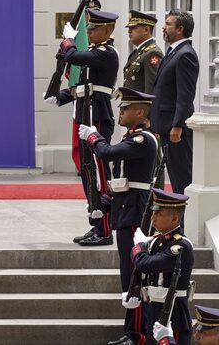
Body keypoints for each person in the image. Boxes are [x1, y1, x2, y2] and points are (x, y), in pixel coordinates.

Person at [80, 87, 157, 345]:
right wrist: (105, 202)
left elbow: (108, 153)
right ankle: (132, 331)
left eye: (125, 109)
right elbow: (123, 180)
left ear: (139, 112)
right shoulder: (132, 138)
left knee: (135, 275)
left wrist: (94, 138)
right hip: (127, 210)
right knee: (128, 272)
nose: (120, 112)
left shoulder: (142, 140)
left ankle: (138, 335)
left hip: (137, 213)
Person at [46, 8, 120, 246]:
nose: (89, 32)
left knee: (99, 173)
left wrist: (67, 41)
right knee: (87, 171)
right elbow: (84, 86)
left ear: (107, 30)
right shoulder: (93, 52)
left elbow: (74, 57)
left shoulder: (108, 53)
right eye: (87, 28)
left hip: (96, 116)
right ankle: (95, 221)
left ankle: (105, 230)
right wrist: (61, 96)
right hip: (85, 112)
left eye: (93, 28)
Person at [132, 189, 194, 345]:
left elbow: (145, 264)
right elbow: (140, 266)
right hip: (155, 307)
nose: (153, 217)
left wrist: (139, 246)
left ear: (174, 217)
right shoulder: (159, 241)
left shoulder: (180, 246)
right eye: (153, 212)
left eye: (159, 214)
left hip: (173, 311)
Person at [150, 10, 199, 195]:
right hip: (165, 125)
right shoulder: (173, 51)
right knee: (175, 176)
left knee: (182, 178)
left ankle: (186, 221)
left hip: (174, 128)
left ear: (180, 29)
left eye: (168, 24)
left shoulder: (186, 54)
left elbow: (185, 94)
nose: (163, 27)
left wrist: (177, 124)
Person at [124, 10, 163, 94]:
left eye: (133, 27)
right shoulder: (137, 52)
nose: (129, 31)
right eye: (129, 28)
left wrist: (147, 107)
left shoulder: (152, 53)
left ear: (146, 30)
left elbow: (152, 89)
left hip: (141, 106)